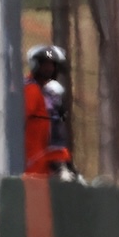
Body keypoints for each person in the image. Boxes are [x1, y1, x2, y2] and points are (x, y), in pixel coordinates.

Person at [23, 46, 71, 175]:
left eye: (52, 65)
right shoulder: (31, 90)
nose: (49, 68)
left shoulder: (50, 93)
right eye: (45, 64)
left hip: (45, 162)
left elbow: (55, 131)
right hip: (32, 163)